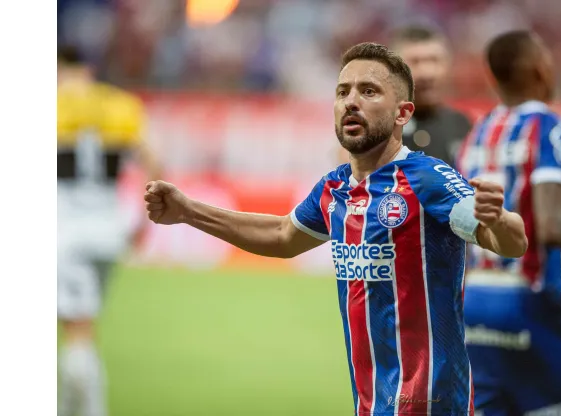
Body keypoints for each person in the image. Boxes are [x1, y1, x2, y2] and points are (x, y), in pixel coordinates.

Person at [144, 42, 528, 416]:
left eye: (369, 91)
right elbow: (281, 236)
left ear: (402, 113)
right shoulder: (334, 188)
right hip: (371, 401)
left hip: (432, 403)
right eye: (343, 91)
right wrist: (188, 212)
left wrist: (499, 218)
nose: (351, 101)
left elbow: (508, 242)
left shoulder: (429, 179)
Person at [456, 30, 561, 416]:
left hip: (475, 301)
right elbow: (550, 225)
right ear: (538, 67)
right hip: (528, 298)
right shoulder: (551, 127)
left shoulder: (478, 132)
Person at [57, 45, 161, 416]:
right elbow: (154, 160)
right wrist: (144, 219)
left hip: (65, 231)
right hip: (109, 228)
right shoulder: (120, 106)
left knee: (76, 332)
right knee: (86, 324)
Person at [335, 25, 471, 167]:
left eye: (434, 60)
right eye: (415, 62)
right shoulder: (373, 124)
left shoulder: (462, 125)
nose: (427, 73)